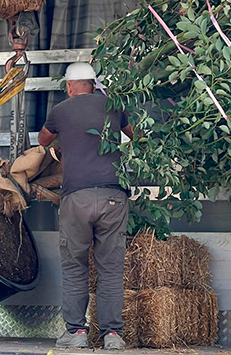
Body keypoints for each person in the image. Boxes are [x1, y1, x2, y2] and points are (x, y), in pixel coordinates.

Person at [38, 62, 134, 350]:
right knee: (110, 269)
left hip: (76, 199)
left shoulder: (60, 111)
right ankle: (112, 336)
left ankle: (76, 333)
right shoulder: (113, 105)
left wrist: (61, 144)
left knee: (75, 266)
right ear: (94, 85)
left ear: (69, 87)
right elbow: (135, 135)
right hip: (113, 197)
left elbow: (43, 140)